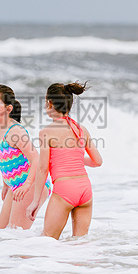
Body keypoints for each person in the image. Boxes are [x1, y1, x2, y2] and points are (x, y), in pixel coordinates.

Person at [26, 82, 103, 239]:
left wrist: (35, 201)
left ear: (49, 103)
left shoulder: (46, 132)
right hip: (85, 190)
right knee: (80, 244)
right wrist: (76, 160)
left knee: (47, 241)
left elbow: (42, 169)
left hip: (64, 190)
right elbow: (97, 161)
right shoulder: (82, 129)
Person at [0, 84, 50, 229]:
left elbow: (37, 159)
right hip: (15, 185)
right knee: (1, 232)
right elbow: (5, 159)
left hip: (32, 184)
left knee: (15, 235)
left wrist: (27, 185)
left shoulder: (15, 132)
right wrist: (5, 184)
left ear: (8, 108)